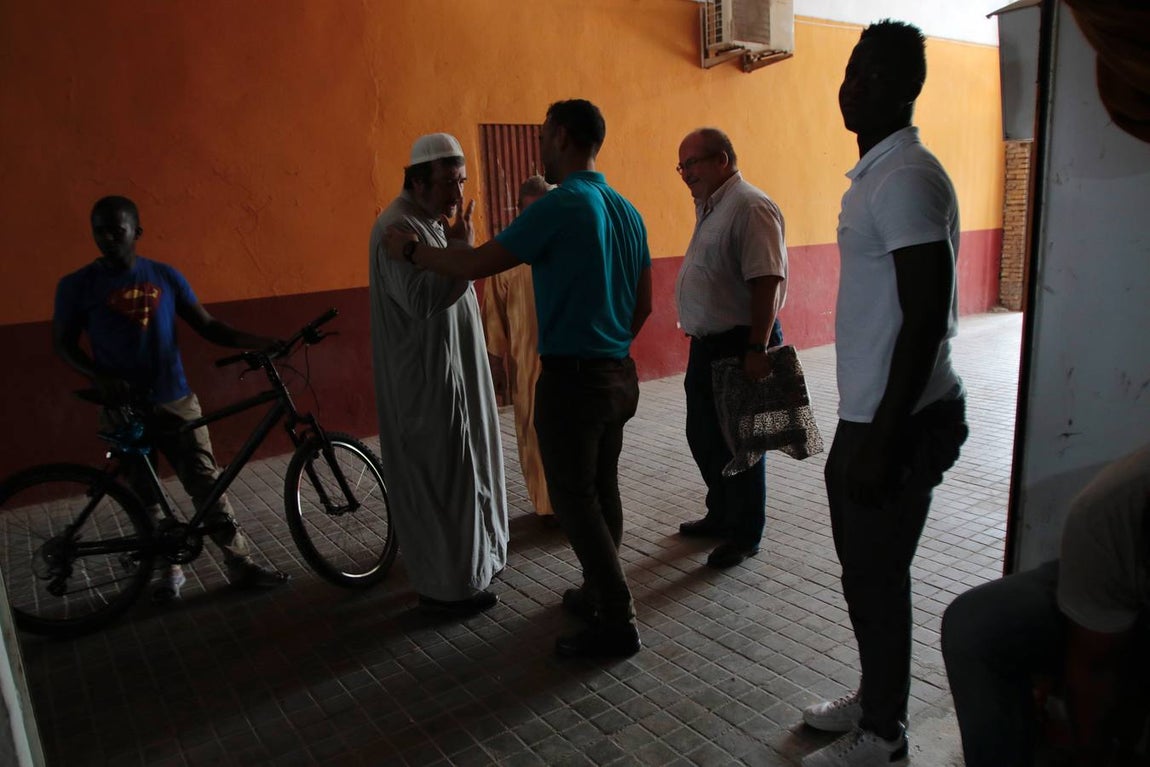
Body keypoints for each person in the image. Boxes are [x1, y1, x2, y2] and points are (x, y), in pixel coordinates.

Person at [383, 99, 652, 659]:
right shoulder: (626, 208)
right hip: (617, 374)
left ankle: (616, 617)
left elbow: (476, 264)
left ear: (559, 135)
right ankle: (599, 592)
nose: (539, 147)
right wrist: (611, 345)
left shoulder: (563, 204)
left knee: (575, 501)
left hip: (574, 380)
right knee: (602, 489)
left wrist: (412, 249)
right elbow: (644, 304)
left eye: (543, 135)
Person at [799, 20, 969, 767]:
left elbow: (927, 313)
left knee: (877, 573)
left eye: (870, 74)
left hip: (898, 420)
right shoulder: (880, 175)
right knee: (864, 572)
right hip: (870, 415)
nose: (853, 85)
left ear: (903, 89)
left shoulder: (904, 178)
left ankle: (886, 734)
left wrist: (883, 438)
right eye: (850, 71)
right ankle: (874, 700)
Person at [53, 195, 290, 602]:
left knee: (206, 484)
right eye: (99, 231)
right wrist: (100, 375)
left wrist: (260, 342)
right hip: (122, 408)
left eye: (117, 230)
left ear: (137, 232)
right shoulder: (76, 286)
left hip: (175, 399)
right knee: (145, 497)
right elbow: (64, 344)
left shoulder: (164, 276)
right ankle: (169, 573)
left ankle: (240, 565)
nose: (107, 239)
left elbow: (208, 326)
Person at [367, 133, 509, 615]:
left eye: (461, 181)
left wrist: (458, 249)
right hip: (425, 383)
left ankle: (471, 570)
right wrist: (464, 255)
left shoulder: (428, 222)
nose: (456, 193)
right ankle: (446, 589)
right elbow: (422, 301)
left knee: (465, 473)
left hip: (454, 375)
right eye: (448, 182)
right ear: (418, 180)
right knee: (442, 481)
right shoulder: (396, 225)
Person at [942, 444, 1150, 767]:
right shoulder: (1113, 506)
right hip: (1120, 594)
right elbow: (1094, 666)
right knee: (976, 624)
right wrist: (1091, 751)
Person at [673, 127, 788, 569]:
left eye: (693, 163)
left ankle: (744, 534)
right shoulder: (711, 207)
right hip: (707, 346)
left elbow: (766, 282)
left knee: (742, 445)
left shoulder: (750, 206)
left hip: (742, 344)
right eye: (681, 166)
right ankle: (721, 513)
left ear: (722, 159)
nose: (685, 174)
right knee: (703, 436)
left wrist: (757, 348)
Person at [481, 175, 557, 526]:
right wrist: (495, 365)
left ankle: (569, 506)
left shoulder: (567, 245)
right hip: (525, 365)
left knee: (567, 435)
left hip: (567, 361)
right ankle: (547, 508)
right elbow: (493, 315)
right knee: (531, 433)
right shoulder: (507, 254)